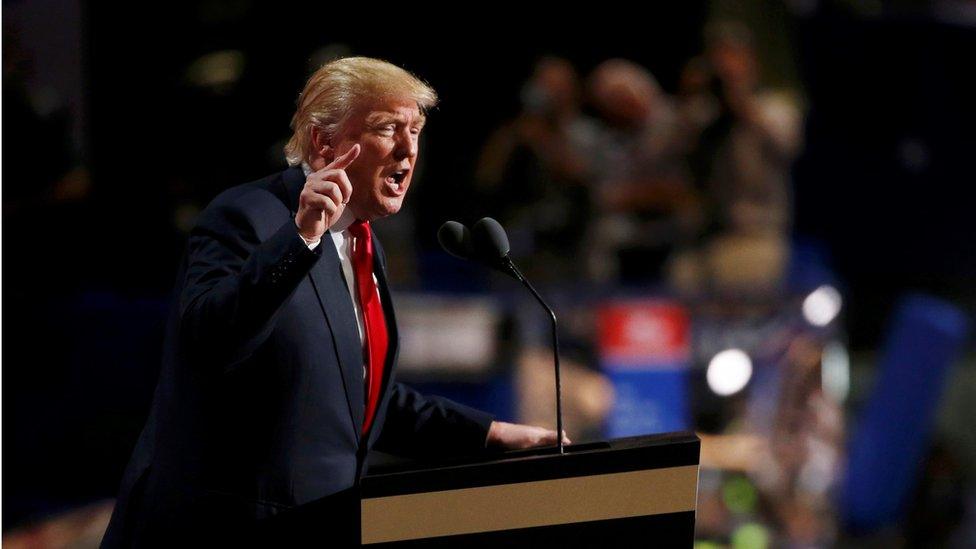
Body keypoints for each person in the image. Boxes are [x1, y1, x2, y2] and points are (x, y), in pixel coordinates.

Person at [102, 57, 565, 547]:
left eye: (416, 129)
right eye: (388, 128)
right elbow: (209, 342)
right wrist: (299, 238)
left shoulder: (363, 242)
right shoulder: (248, 217)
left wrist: (487, 433)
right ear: (325, 143)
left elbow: (353, 398)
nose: (409, 150)